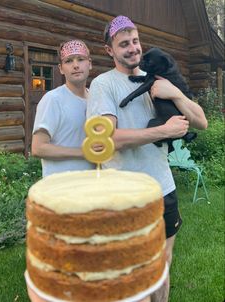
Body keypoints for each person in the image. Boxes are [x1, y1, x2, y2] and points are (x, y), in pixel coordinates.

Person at [87, 15, 208, 302]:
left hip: (163, 187)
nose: (133, 48)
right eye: (124, 44)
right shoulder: (105, 85)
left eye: (135, 41)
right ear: (110, 50)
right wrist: (162, 131)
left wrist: (175, 93)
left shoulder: (160, 76)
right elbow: (108, 138)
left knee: (162, 265)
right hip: (126, 195)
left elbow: (201, 122)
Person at [31, 39, 95, 177]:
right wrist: (84, 152)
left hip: (90, 187)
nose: (76, 65)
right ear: (60, 68)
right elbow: (38, 148)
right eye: (69, 61)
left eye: (81, 59)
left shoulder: (95, 99)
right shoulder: (53, 99)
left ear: (89, 64)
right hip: (60, 189)